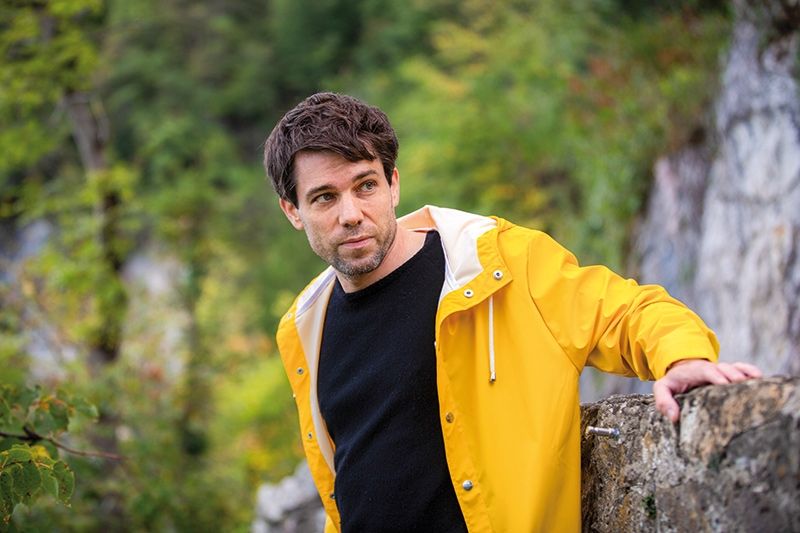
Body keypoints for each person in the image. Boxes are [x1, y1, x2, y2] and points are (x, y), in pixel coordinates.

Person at [263, 92, 762, 532]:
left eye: (365, 186)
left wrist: (682, 358)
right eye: (324, 198)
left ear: (393, 184)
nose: (351, 214)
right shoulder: (305, 326)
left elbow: (627, 311)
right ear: (292, 211)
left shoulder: (498, 265)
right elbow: (345, 486)